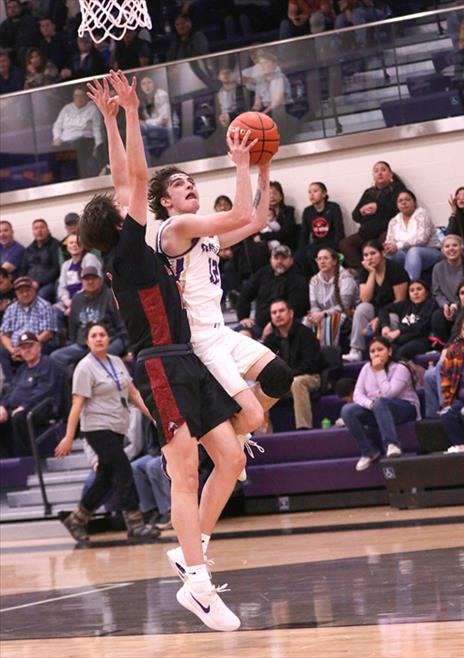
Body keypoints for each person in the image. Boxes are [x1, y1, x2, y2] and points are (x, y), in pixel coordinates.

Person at [81, 72, 248, 631]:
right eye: (119, 205)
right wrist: (128, 112)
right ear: (117, 223)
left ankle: (190, 549)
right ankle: (197, 587)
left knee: (231, 457)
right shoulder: (129, 249)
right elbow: (134, 177)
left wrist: (112, 117)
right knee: (182, 474)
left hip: (185, 360)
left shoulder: (125, 244)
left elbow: (124, 179)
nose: (124, 198)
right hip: (160, 366)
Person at [153, 144, 293, 476]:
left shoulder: (206, 235)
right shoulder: (173, 230)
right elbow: (241, 214)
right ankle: (201, 444)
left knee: (279, 376)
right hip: (198, 342)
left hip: (220, 332)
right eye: (178, 183)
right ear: (165, 202)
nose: (189, 185)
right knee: (255, 416)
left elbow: (257, 219)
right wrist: (241, 165)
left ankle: (229, 436)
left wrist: (264, 169)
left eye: (191, 181)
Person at [55, 323, 160, 542]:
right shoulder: (84, 368)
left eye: (102, 334)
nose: (99, 338)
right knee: (123, 469)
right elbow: (77, 404)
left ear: (108, 339)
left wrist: (155, 417)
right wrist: (68, 436)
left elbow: (133, 393)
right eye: (94, 335)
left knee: (104, 478)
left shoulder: (117, 361)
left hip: (117, 427)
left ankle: (77, 519)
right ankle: (135, 523)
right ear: (87, 341)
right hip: (96, 428)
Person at [341, 336, 421, 471]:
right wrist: (370, 405)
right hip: (378, 408)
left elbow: (389, 393)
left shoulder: (400, 367)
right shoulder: (366, 368)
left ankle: (392, 444)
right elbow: (357, 395)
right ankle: (369, 451)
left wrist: (379, 371)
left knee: (381, 402)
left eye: (380, 349)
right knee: (347, 411)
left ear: (389, 351)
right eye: (372, 351)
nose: (376, 354)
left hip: (405, 408)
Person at [51, 264, 127, 370]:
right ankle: (74, 382)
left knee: (99, 356)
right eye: (87, 279)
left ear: (100, 280)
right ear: (82, 282)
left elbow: (121, 324)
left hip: (108, 341)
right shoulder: (77, 299)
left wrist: (127, 348)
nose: (90, 282)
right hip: (83, 344)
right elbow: (73, 328)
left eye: (93, 278)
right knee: (56, 357)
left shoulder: (110, 295)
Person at [343, 240, 409, 361]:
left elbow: (400, 301)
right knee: (362, 309)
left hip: (394, 310)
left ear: (382, 253)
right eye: (366, 255)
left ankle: (389, 351)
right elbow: (365, 299)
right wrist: (372, 273)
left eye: (373, 253)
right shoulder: (365, 271)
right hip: (375, 310)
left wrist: (379, 319)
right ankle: (356, 350)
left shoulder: (395, 269)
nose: (369, 258)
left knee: (392, 318)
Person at [264, 298, 323, 430]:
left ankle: (304, 428)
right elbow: (266, 367)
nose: (277, 315)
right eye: (274, 313)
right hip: (283, 382)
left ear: (291, 313)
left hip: (309, 377)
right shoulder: (270, 340)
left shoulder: (306, 333)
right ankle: (263, 435)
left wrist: (287, 376)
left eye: (281, 311)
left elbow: (310, 364)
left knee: (297, 382)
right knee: (258, 389)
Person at [0, 331, 62, 457]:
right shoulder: (22, 369)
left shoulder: (47, 364)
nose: (27, 350)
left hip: (40, 407)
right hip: (18, 408)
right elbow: (12, 391)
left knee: (19, 417)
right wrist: (2, 406)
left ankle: (25, 460)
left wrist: (25, 405)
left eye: (30, 347)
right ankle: (6, 462)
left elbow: (45, 391)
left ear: (39, 347)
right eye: (23, 348)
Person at [339, 161, 406, 267]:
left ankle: (381, 271)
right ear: (373, 176)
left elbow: (398, 208)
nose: (380, 173)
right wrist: (361, 211)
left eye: (383, 170)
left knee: (378, 246)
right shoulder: (368, 192)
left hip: (386, 230)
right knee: (344, 244)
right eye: (376, 171)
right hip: (366, 231)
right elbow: (355, 216)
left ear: (391, 174)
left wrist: (377, 207)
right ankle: (363, 270)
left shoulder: (397, 189)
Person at [236, 244, 310, 340]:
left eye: (283, 258)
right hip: (259, 324)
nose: (279, 261)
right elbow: (245, 295)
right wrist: (243, 317)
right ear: (271, 260)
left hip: (286, 326)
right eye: (276, 258)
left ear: (291, 260)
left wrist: (273, 325)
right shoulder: (262, 273)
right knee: (241, 336)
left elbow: (296, 308)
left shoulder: (299, 279)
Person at [424, 280, 464, 419]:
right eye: (462, 293)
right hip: (459, 355)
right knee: (429, 376)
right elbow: (453, 339)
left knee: (441, 366)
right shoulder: (460, 315)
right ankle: (432, 418)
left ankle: (447, 407)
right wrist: (446, 350)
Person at [0, 275, 57, 381]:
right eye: (21, 292)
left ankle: (29, 383)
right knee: (2, 351)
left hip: (38, 344)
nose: (25, 294)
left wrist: (26, 348)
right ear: (16, 294)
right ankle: (11, 384)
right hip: (16, 347)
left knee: (37, 351)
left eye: (28, 290)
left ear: (34, 290)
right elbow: (4, 335)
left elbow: (48, 333)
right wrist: (12, 350)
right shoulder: (11, 309)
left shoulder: (44, 306)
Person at [304, 247, 357, 347]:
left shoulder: (345, 277)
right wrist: (315, 315)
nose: (322, 261)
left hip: (347, 313)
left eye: (325, 258)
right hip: (322, 314)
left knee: (328, 321)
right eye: (319, 259)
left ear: (334, 261)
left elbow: (344, 306)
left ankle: (327, 355)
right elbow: (314, 305)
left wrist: (323, 314)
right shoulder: (314, 280)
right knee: (305, 322)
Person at [384, 190, 441, 280]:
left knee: (413, 251)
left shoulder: (422, 215)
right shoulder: (394, 221)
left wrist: (398, 245)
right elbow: (390, 241)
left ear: (414, 202)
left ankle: (412, 286)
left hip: (430, 252)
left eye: (407, 199)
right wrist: (387, 247)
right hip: (405, 255)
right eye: (400, 201)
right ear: (397, 205)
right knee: (388, 256)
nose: (404, 202)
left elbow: (421, 240)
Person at [52, 87, 104, 180]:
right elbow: (57, 126)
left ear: (86, 97)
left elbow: (97, 128)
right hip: (66, 141)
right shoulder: (67, 108)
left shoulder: (92, 109)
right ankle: (58, 181)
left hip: (85, 140)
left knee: (78, 146)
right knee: (53, 151)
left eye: (81, 96)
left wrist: (97, 146)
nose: (79, 98)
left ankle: (82, 178)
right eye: (76, 96)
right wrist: (56, 137)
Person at [296, 181, 345, 278]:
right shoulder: (307, 211)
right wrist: (301, 249)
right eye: (309, 192)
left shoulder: (333, 207)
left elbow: (340, 231)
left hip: (330, 243)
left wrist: (336, 248)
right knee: (298, 255)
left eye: (315, 191)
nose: (311, 195)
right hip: (316, 243)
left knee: (311, 254)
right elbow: (304, 234)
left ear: (324, 194)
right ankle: (309, 281)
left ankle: (321, 279)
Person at [378, 279, 435, 359]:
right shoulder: (405, 305)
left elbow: (421, 327)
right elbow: (383, 310)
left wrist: (399, 331)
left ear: (426, 292)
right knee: (384, 351)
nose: (415, 293)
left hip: (421, 340)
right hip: (401, 340)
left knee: (401, 352)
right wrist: (385, 325)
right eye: (412, 290)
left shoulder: (431, 305)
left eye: (419, 289)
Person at [439, 309, 464, 452]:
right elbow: (445, 378)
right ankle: (463, 446)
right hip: (462, 399)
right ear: (462, 331)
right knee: (446, 414)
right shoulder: (454, 350)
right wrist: (448, 401)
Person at [431, 235, 464, 345]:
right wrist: (445, 305)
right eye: (447, 246)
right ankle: (444, 345)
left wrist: (456, 304)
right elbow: (436, 292)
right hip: (448, 307)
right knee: (437, 317)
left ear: (461, 247)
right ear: (442, 250)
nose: (451, 249)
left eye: (454, 245)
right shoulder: (438, 268)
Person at [55, 233, 101, 319]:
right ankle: (63, 332)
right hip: (69, 302)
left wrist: (75, 304)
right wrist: (66, 301)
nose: (74, 245)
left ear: (83, 245)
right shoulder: (65, 265)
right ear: (67, 246)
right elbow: (62, 287)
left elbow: (92, 285)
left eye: (77, 242)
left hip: (88, 299)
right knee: (54, 311)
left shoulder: (90, 258)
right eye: (71, 243)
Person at [18, 218, 60, 302]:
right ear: (33, 232)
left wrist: (38, 282)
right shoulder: (29, 249)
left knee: (41, 296)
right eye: (36, 228)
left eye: (42, 227)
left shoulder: (55, 245)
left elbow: (56, 268)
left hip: (49, 283)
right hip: (29, 284)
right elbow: (23, 269)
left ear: (47, 230)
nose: (39, 230)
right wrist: (22, 282)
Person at [137, 75, 171, 164]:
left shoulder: (161, 94)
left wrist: (146, 123)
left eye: (149, 82)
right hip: (151, 133)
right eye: (143, 84)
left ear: (154, 83)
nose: (147, 86)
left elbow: (164, 119)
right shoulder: (142, 99)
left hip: (166, 131)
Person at [258, 181, 298, 251]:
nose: (272, 196)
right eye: (269, 194)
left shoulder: (289, 211)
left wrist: (262, 237)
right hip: (265, 245)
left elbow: (285, 233)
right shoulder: (261, 213)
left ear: (281, 196)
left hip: (285, 243)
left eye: (275, 193)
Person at [446, 186, 464, 257]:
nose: (461, 199)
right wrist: (453, 212)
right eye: (458, 197)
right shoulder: (457, 216)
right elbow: (449, 236)